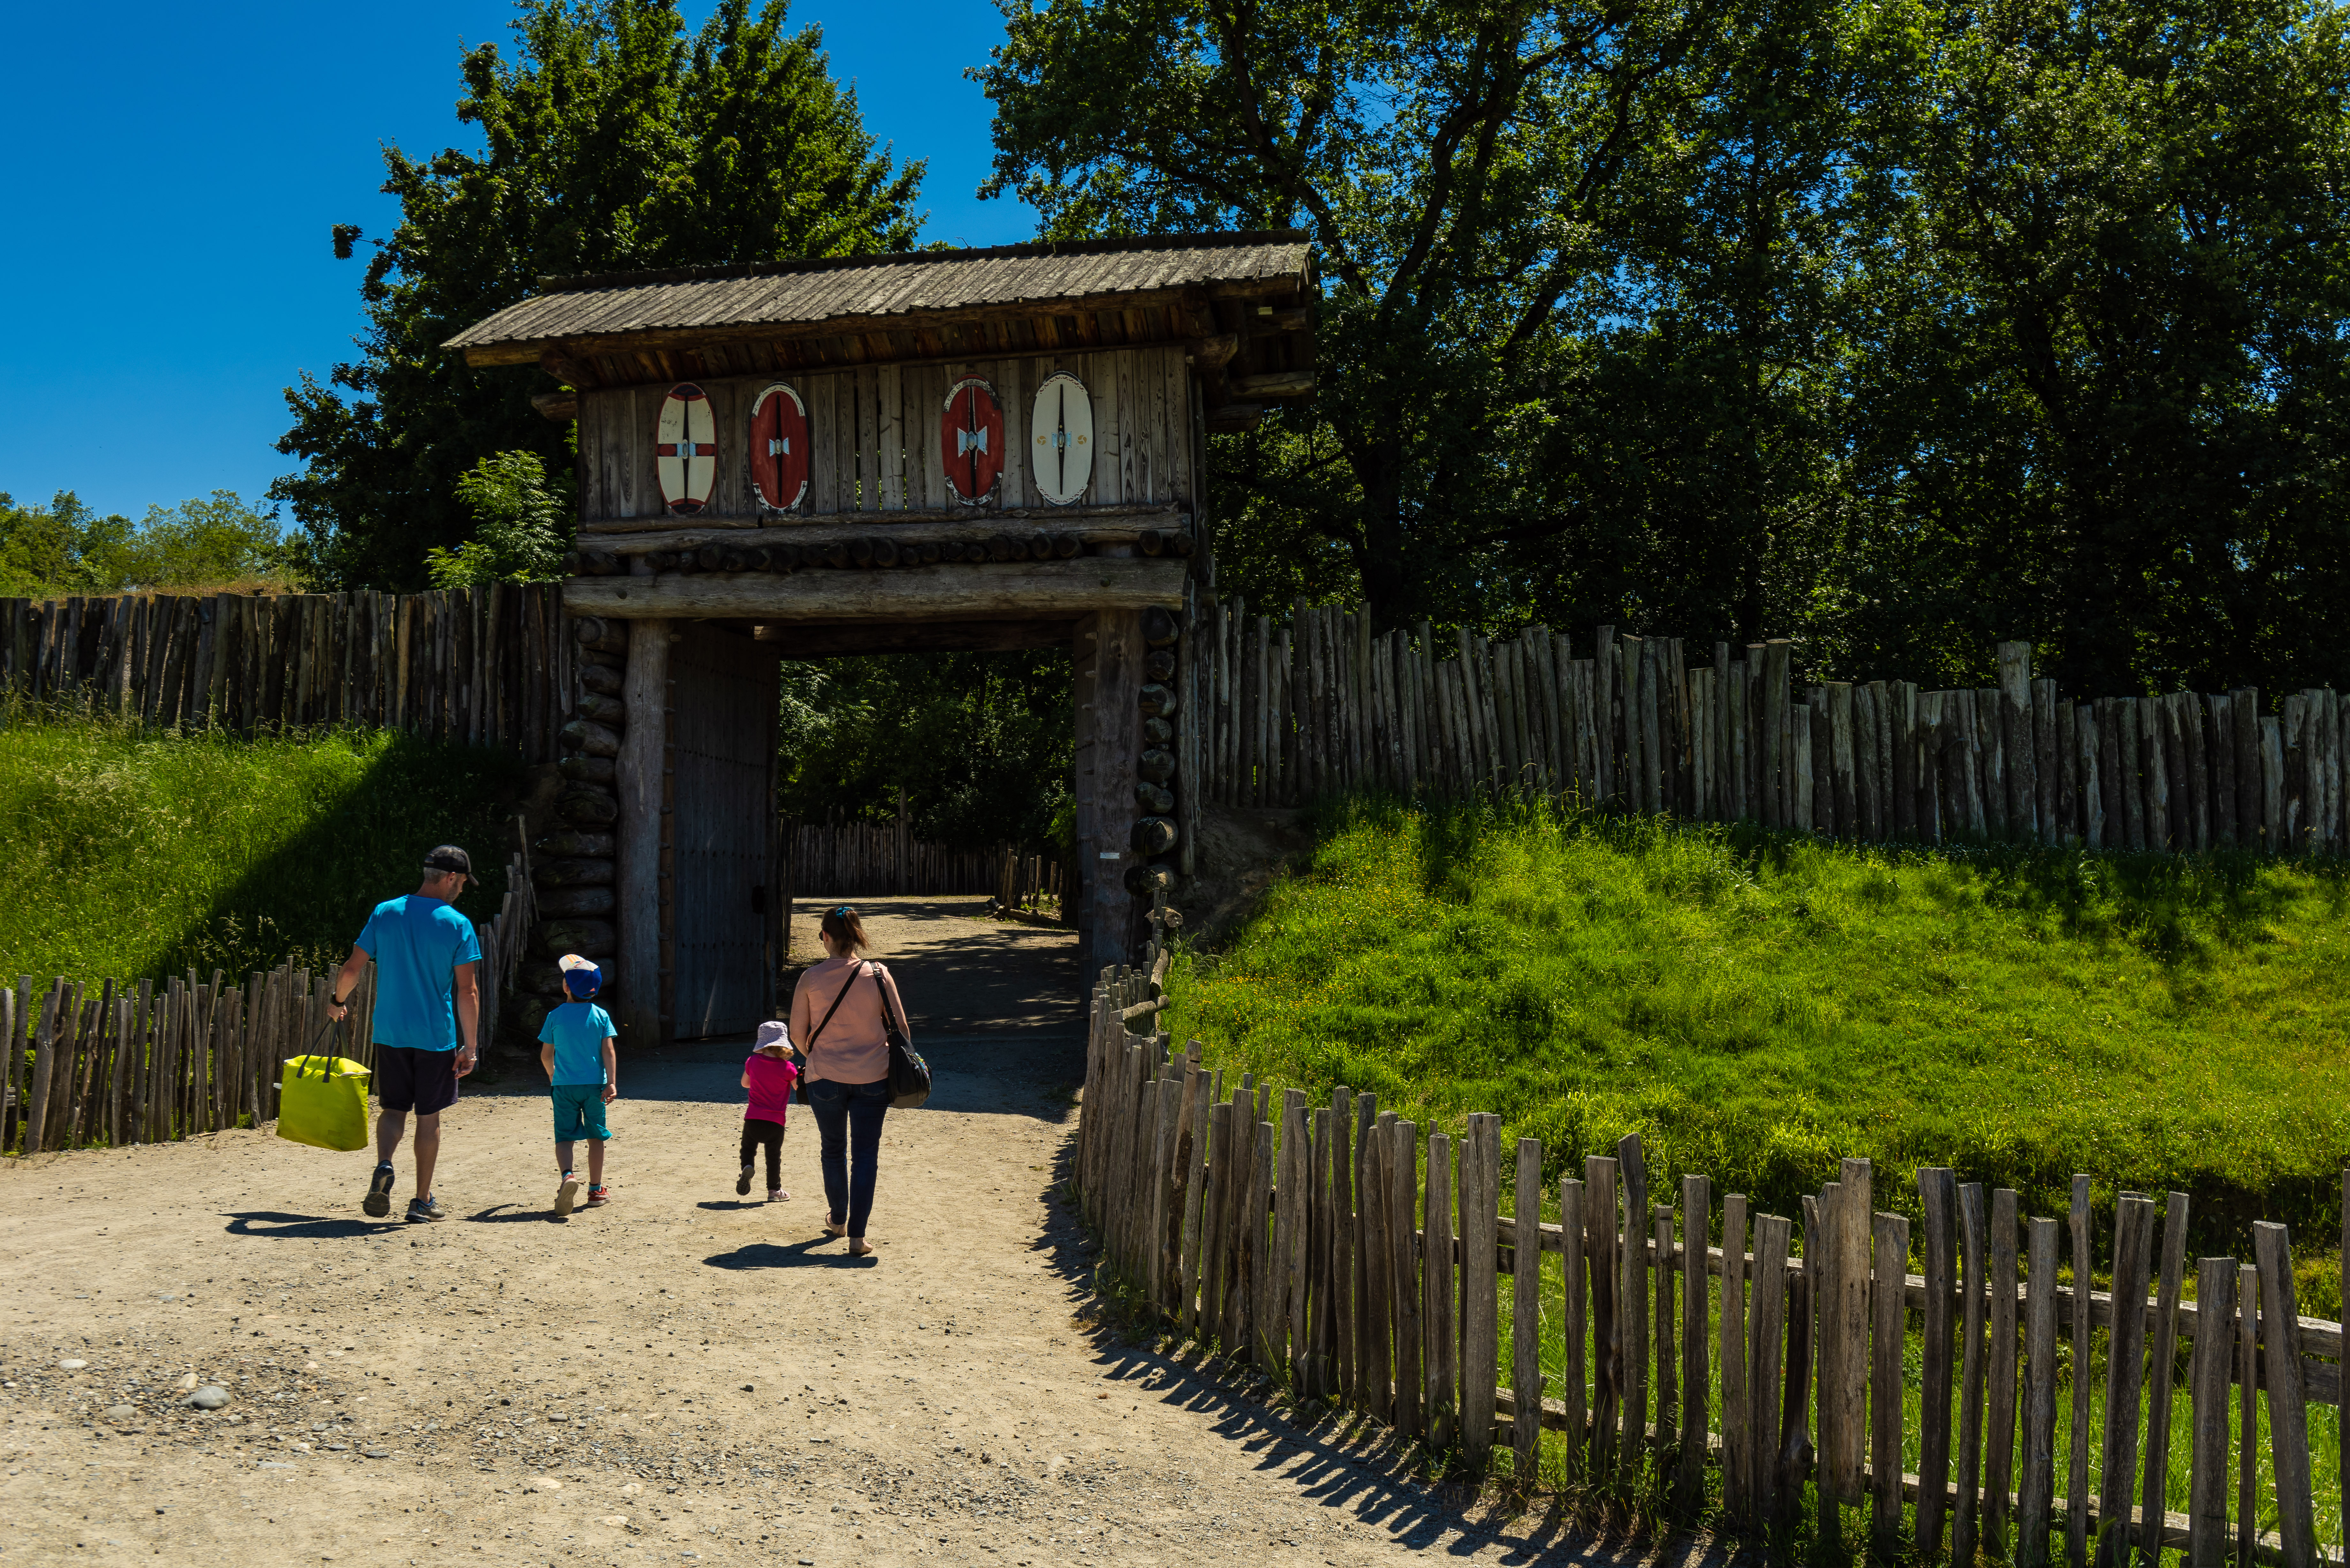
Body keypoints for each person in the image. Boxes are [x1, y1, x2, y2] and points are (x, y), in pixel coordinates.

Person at [328, 845, 482, 1223]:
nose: (461, 889)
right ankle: (422, 1200)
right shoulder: (457, 924)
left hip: (391, 1032)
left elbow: (352, 968)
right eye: (461, 882)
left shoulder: (386, 912)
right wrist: (471, 1047)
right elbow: (468, 991)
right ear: (449, 878)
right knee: (429, 1118)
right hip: (435, 1037)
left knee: (393, 1108)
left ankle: (384, 1164)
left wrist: (337, 1001)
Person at [789, 906, 909, 1257]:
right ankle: (858, 1237)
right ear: (856, 936)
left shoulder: (810, 978)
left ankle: (838, 1219)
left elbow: (797, 1032)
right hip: (873, 1076)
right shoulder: (878, 973)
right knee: (866, 1155)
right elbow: (901, 1030)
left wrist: (816, 1055)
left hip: (824, 1077)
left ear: (825, 936)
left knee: (832, 1148)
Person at [539, 954, 618, 1217]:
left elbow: (546, 1055)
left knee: (565, 1136)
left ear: (566, 987)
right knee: (596, 1136)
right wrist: (612, 1083)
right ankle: (596, 1190)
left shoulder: (555, 1016)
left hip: (564, 1086)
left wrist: (553, 1076)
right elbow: (609, 1052)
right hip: (595, 1086)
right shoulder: (601, 1016)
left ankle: (568, 1176)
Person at [736, 1020, 797, 1202]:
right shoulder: (788, 1068)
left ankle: (747, 1167)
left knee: (747, 1148)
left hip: (753, 1118)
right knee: (773, 1157)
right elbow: (798, 1088)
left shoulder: (753, 1061)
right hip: (776, 1121)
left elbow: (745, 1084)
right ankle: (774, 1192)